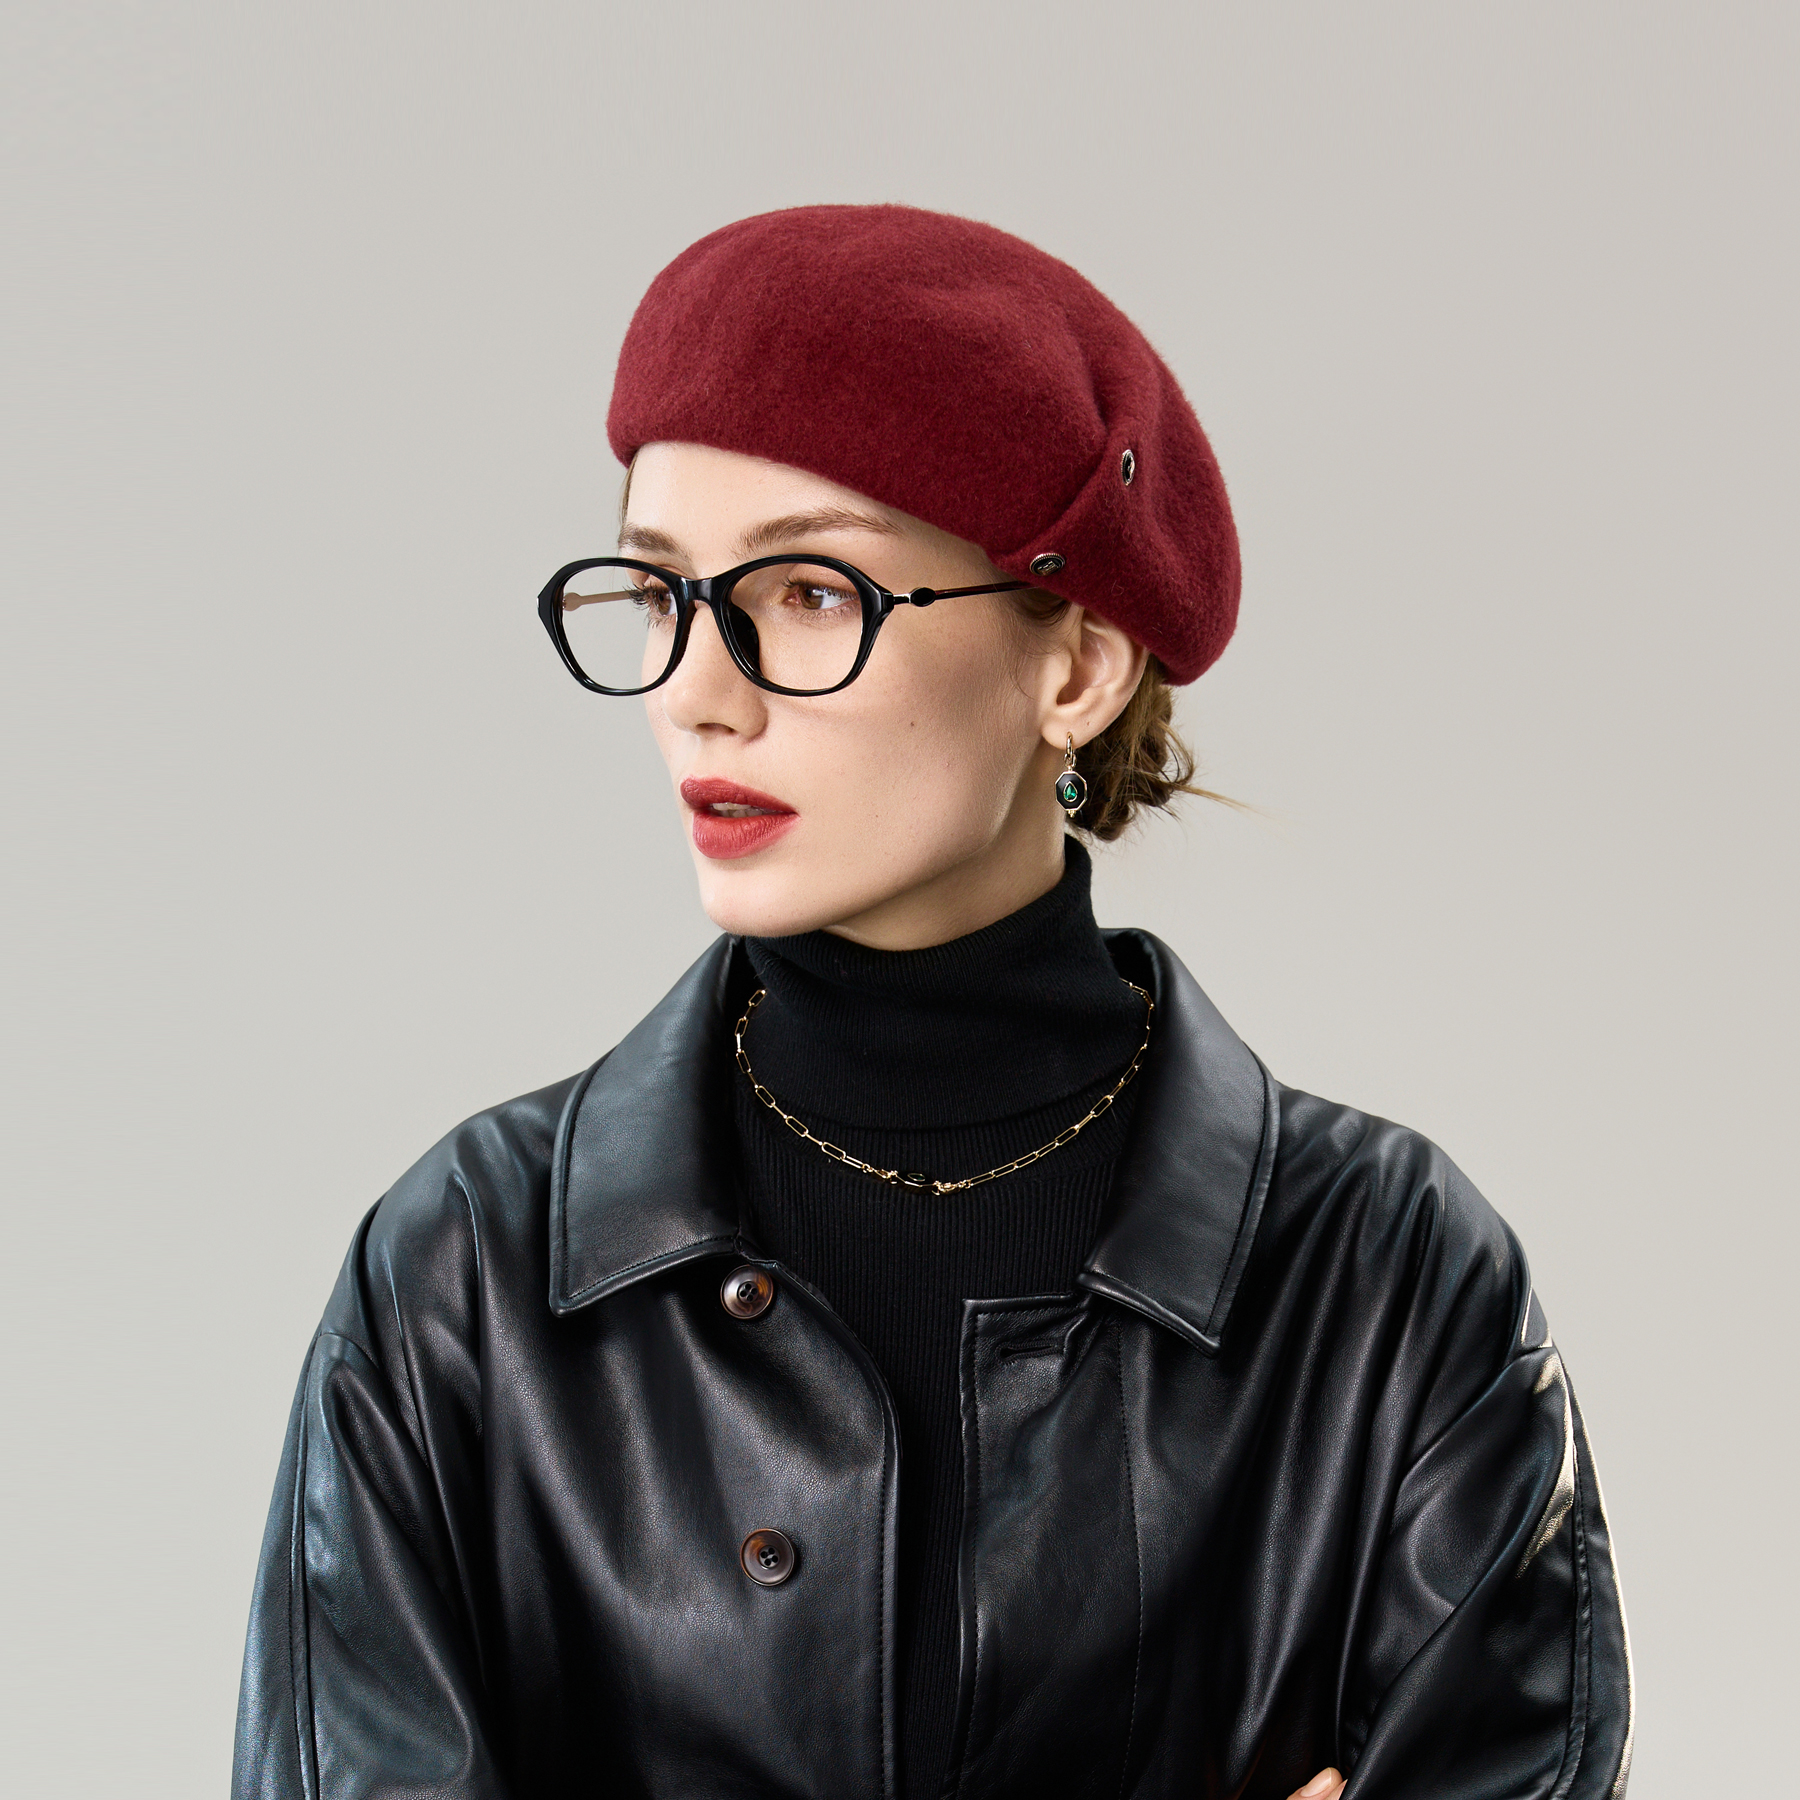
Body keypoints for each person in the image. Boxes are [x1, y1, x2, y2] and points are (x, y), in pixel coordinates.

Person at [232, 205, 1632, 1800]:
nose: (697, 690)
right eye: (659, 592)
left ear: (1078, 668)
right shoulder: (469, 1278)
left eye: (812, 593)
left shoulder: (1386, 1285)